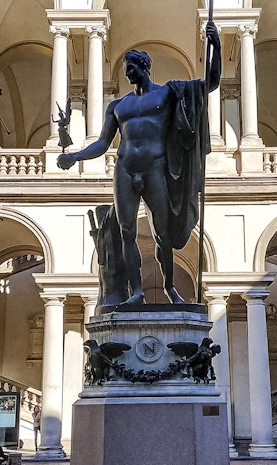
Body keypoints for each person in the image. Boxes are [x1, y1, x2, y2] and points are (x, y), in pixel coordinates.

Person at [57, 21, 221, 305]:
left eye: (131, 68)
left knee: (163, 233)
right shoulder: (118, 106)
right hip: (125, 168)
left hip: (155, 167)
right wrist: (74, 157)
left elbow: (211, 83)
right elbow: (103, 143)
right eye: (125, 69)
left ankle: (169, 288)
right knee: (127, 232)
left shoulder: (167, 93)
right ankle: (137, 292)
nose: (127, 73)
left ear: (144, 67)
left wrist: (215, 45)